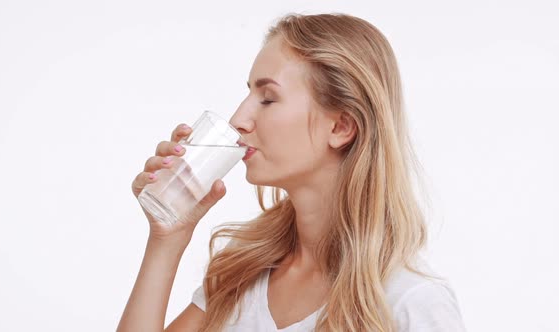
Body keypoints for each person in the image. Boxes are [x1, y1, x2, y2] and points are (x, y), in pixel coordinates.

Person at [117, 13, 466, 332]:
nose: (238, 119)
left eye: (267, 98)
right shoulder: (243, 275)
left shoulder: (412, 303)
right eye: (249, 93)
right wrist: (166, 239)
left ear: (342, 127)